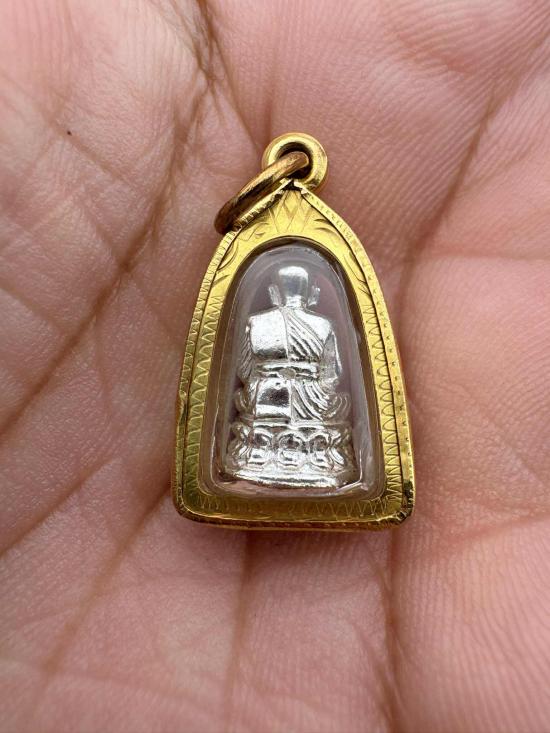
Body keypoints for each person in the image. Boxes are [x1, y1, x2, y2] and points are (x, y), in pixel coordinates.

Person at [1, 1, 549, 731]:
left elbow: (328, 382)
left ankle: (308, 463)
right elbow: (251, 377)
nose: (291, 297)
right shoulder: (259, 321)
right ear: (278, 292)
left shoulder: (318, 324)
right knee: (266, 399)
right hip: (267, 419)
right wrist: (271, 377)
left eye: (299, 292)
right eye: (285, 290)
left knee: (314, 404)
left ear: (310, 294)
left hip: (312, 423)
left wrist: (307, 383)